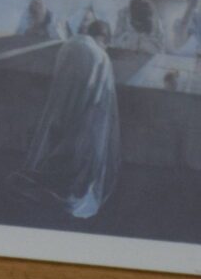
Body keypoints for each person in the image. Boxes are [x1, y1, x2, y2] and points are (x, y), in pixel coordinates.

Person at [9, 22, 119, 221]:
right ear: (103, 38)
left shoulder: (70, 46)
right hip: (85, 109)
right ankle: (63, 190)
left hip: (61, 106)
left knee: (56, 140)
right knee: (79, 146)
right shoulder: (100, 56)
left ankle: (46, 182)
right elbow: (99, 94)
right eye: (106, 43)